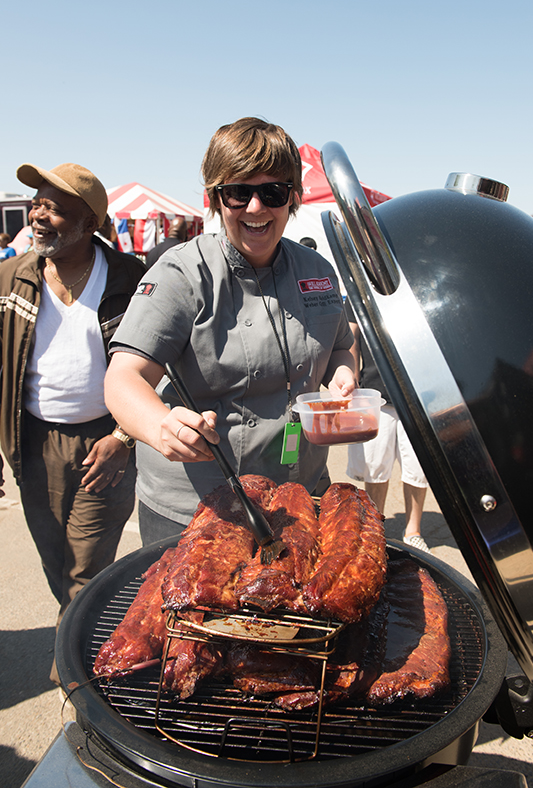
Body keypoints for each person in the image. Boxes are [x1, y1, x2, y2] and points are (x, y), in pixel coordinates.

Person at [105, 117, 356, 545]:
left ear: (292, 198)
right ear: (216, 199)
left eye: (273, 192)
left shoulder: (316, 271)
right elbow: (123, 376)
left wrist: (343, 376)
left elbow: (342, 345)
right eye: (238, 193)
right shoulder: (181, 273)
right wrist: (161, 426)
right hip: (200, 506)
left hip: (301, 492)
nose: (256, 208)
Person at [0, 162, 146, 681]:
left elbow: (164, 364)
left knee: (88, 565)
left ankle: (74, 667)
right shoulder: (12, 276)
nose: (39, 215)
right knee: (53, 556)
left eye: (55, 208)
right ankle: (76, 637)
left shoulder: (131, 280)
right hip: (30, 441)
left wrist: (123, 438)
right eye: (37, 202)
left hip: (103, 442)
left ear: (90, 224)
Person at [345, 302, 432, 553]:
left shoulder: (416, 288)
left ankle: (413, 531)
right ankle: (375, 526)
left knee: (417, 468)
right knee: (375, 468)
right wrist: (353, 374)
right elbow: (352, 332)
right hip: (375, 391)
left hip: (418, 393)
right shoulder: (361, 287)